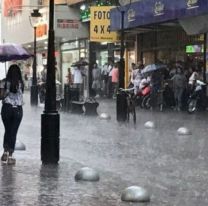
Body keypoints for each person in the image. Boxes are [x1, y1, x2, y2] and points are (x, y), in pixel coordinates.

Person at [1, 64, 24, 165]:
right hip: (18, 110)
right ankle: (10, 156)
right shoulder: (21, 83)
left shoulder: (4, 82)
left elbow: (1, 97)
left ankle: (5, 152)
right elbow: (20, 95)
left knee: (8, 130)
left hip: (7, 108)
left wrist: (5, 92)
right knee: (13, 132)